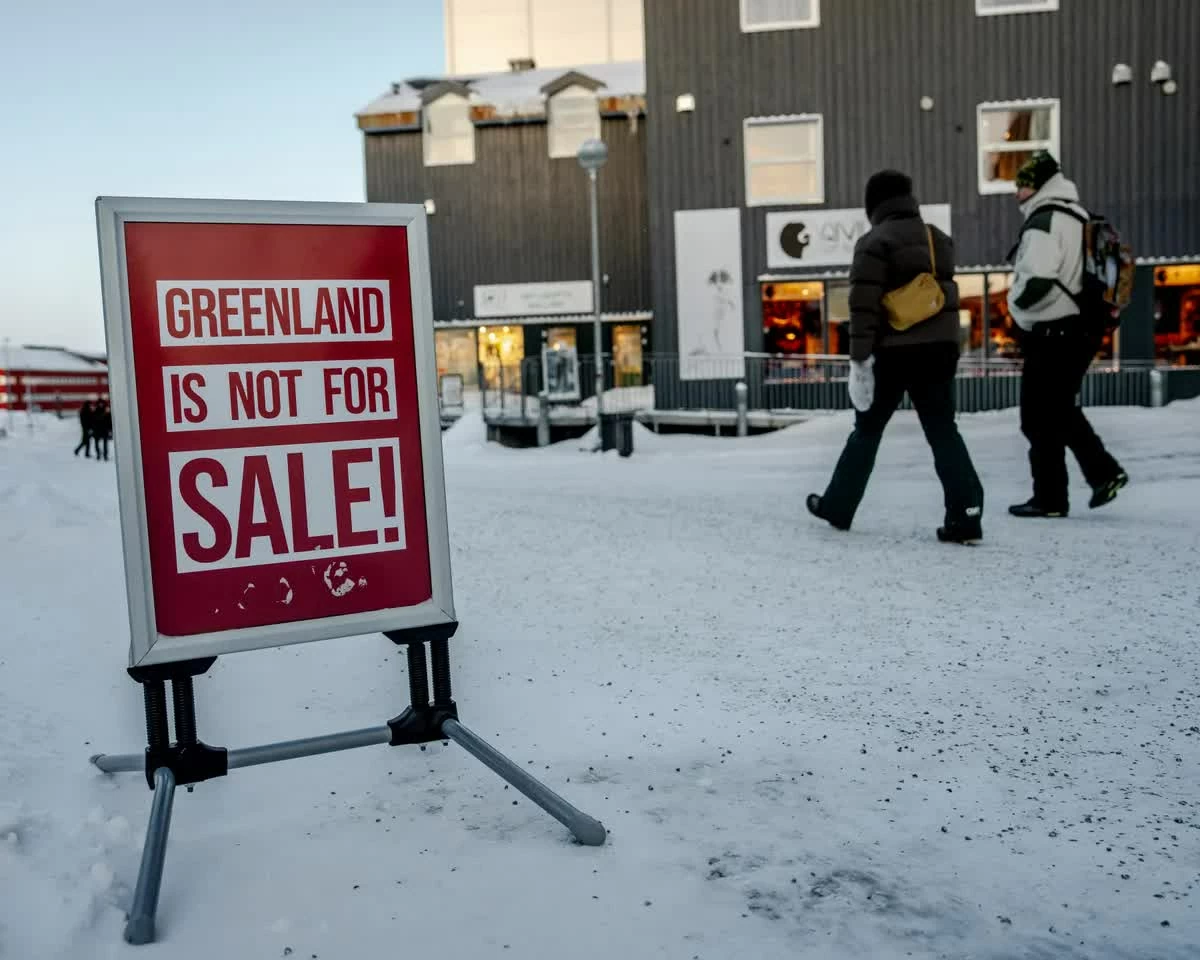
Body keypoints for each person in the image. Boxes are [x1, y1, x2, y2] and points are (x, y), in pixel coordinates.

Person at [807, 170, 984, 544]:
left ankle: (838, 506)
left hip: (894, 352)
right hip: (939, 350)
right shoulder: (938, 239)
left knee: (867, 431)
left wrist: (859, 361)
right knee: (943, 430)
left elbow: (863, 308)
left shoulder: (874, 242)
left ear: (874, 205)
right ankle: (966, 513)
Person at [1005, 151, 1128, 518]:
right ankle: (1097, 476)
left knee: (1036, 415)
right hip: (1082, 328)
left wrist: (1015, 308)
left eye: (1023, 185)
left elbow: (1037, 281)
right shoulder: (1078, 215)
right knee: (1058, 409)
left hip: (1053, 331)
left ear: (1038, 185)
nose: (1017, 193)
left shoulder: (1044, 220)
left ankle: (1053, 497)